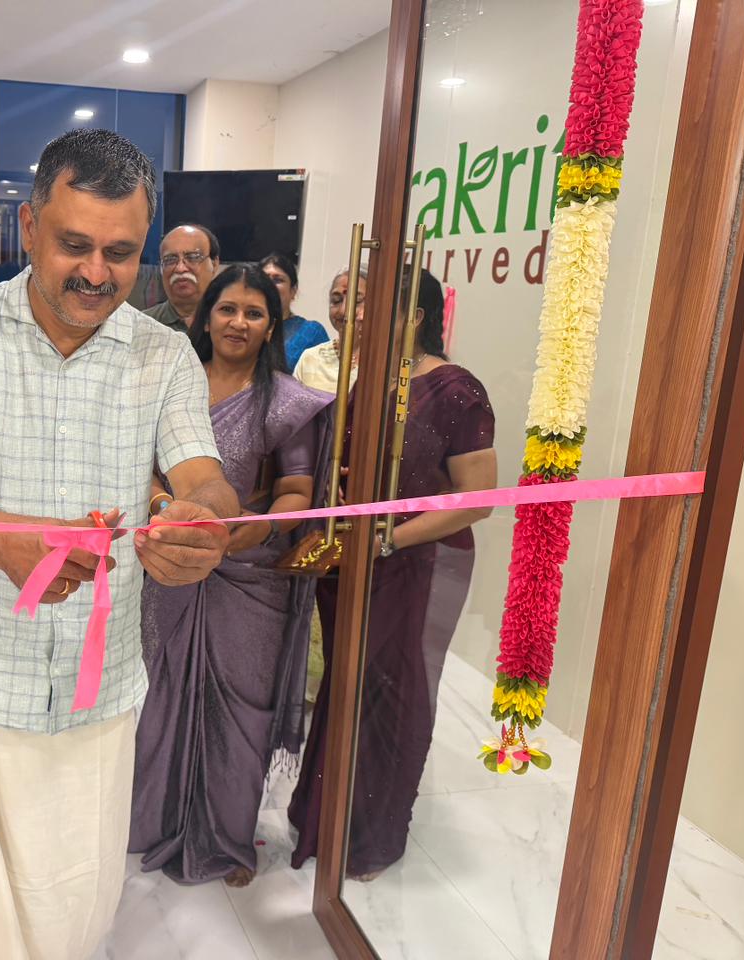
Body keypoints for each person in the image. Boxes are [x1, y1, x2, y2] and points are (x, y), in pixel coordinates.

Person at [0, 128, 237, 960]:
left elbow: (206, 479)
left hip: (100, 687)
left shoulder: (163, 353)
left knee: (77, 909)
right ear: (28, 225)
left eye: (120, 251)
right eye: (75, 243)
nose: (97, 273)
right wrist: (0, 540)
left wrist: (203, 524)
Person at [288, 268, 497, 876]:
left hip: (420, 564)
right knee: (346, 682)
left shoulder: (457, 390)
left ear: (416, 318)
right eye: (352, 304)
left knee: (394, 692)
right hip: (354, 561)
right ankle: (323, 821)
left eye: (370, 304)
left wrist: (385, 541)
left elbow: (474, 498)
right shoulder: (373, 379)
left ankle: (372, 837)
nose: (354, 316)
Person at [129, 264, 333, 888]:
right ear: (205, 315)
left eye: (253, 313)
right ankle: (155, 825)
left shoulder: (285, 400)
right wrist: (163, 508)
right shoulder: (168, 385)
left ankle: (228, 841)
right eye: (227, 309)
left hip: (250, 575)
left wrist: (262, 528)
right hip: (170, 564)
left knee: (241, 712)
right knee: (158, 697)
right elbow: (142, 463)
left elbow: (298, 490)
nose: (238, 323)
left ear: (273, 324)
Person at [294, 267, 365, 393]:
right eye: (336, 301)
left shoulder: (382, 363)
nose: (344, 311)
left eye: (356, 301)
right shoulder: (310, 358)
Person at [143, 223, 221, 335]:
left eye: (193, 257)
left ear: (214, 264)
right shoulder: (142, 325)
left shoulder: (228, 325)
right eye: (170, 260)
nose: (180, 268)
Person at [261, 252, 329, 372]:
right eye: (264, 278)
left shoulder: (311, 332)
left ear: (293, 291)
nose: (269, 285)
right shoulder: (246, 327)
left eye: (278, 280)